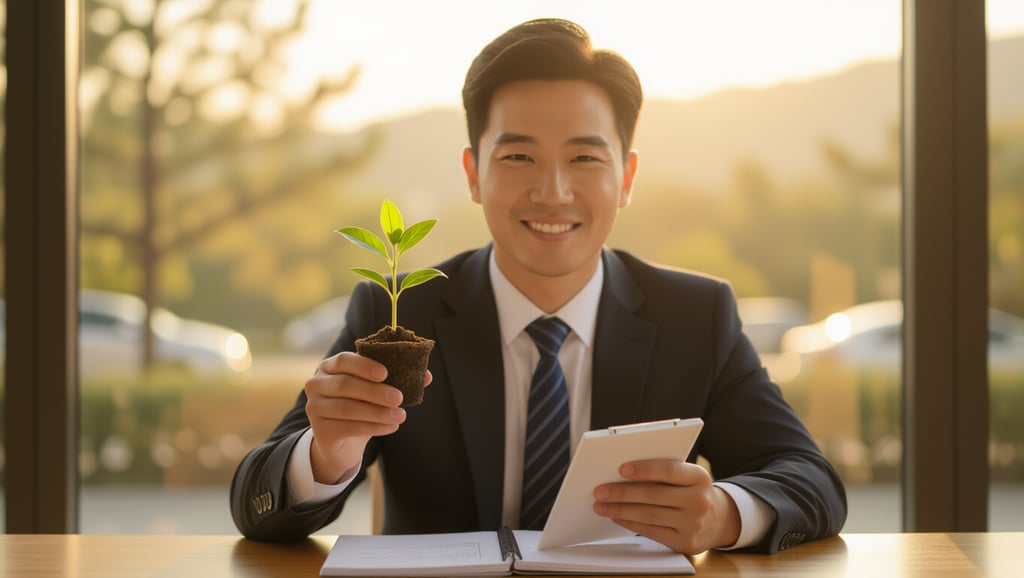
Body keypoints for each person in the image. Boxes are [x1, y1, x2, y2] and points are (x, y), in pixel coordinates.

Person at [230, 17, 846, 554]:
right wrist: (327, 453)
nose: (553, 191)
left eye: (584, 158)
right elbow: (254, 503)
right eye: (518, 157)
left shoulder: (696, 315)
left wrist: (723, 514)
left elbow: (809, 479)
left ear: (627, 177)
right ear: (473, 173)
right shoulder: (398, 310)